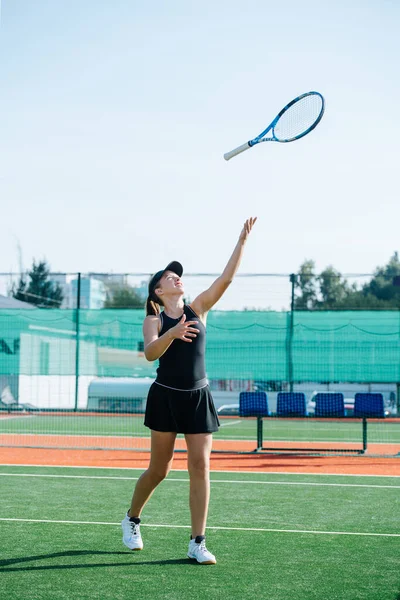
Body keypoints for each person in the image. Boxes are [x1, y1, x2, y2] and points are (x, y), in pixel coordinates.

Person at [121, 217, 257, 564]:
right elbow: (150, 352)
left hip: (198, 395)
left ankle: (198, 541)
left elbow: (225, 279)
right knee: (160, 469)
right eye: (169, 276)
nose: (176, 277)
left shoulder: (198, 309)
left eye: (177, 274)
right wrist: (172, 333)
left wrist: (241, 240)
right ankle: (132, 519)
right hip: (165, 394)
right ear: (158, 291)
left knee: (200, 466)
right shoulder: (154, 319)